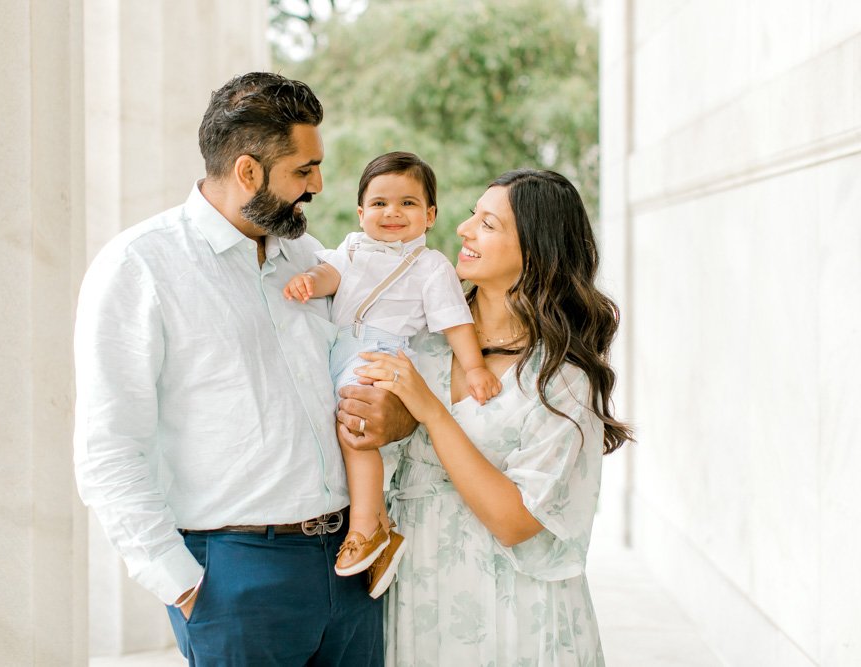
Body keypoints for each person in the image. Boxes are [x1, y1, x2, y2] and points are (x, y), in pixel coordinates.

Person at [73, 72, 414, 667]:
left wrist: (397, 416)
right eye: (303, 171)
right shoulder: (139, 267)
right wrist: (183, 584)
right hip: (234, 578)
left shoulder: (306, 258)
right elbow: (108, 448)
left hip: (349, 566)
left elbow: (363, 371)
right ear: (249, 173)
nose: (319, 185)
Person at [350, 169, 632, 665]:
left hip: (517, 618)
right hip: (419, 601)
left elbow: (514, 522)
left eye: (488, 224)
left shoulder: (559, 379)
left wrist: (431, 414)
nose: (463, 229)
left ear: (537, 249)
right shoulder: (420, 341)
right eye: (471, 216)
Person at [283, 152, 501, 597]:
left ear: (431, 215)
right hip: (339, 347)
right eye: (379, 204)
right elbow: (330, 274)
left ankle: (364, 526)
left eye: (408, 203)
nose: (392, 213)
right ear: (361, 213)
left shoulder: (430, 266)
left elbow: (455, 320)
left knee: (357, 428)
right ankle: (383, 529)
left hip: (381, 352)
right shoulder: (351, 247)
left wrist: (475, 365)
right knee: (339, 432)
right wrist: (311, 280)